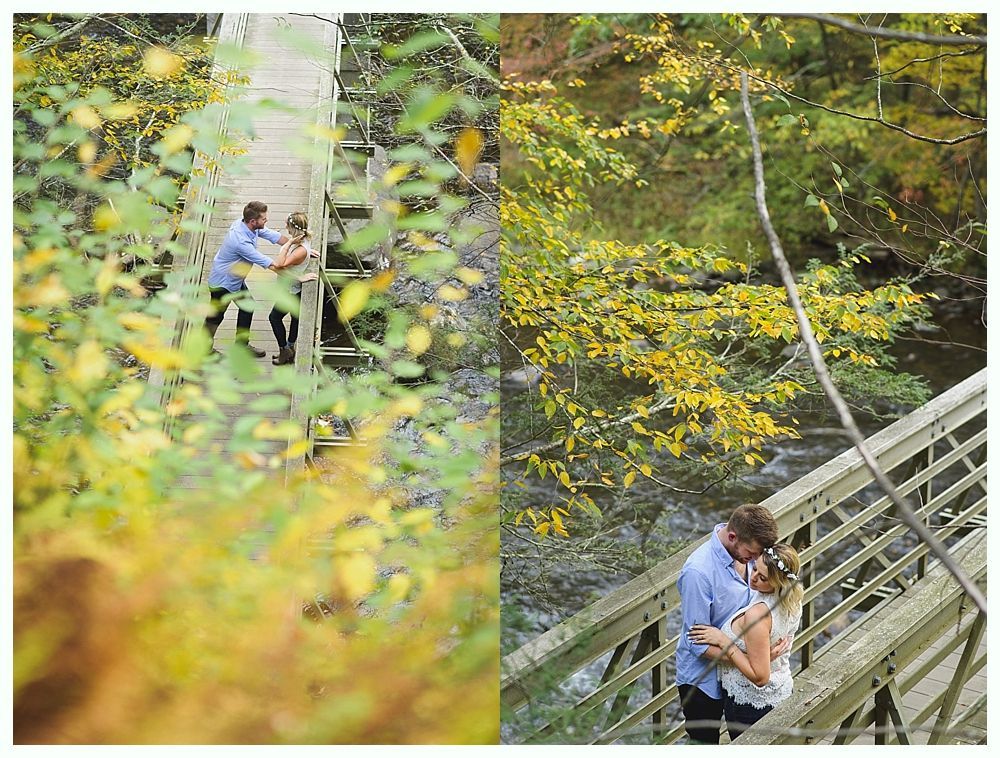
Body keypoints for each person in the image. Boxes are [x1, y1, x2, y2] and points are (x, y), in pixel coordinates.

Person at [674, 504, 783, 744]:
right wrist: (757, 660)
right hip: (703, 680)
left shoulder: (753, 555)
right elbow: (698, 646)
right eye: (751, 554)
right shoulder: (698, 573)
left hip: (740, 677)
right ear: (732, 536)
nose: (756, 561)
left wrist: (757, 659)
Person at [688, 543, 804, 741]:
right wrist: (766, 656)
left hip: (750, 705)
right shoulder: (792, 598)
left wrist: (725, 642)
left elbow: (760, 677)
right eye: (756, 568)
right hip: (781, 690)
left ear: (779, 582)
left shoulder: (758, 615)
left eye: (763, 578)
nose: (754, 577)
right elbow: (776, 644)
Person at [204, 200, 293, 357]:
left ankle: (241, 347)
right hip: (223, 283)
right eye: (264, 219)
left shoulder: (247, 225)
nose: (266, 221)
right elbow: (272, 266)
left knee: (247, 308)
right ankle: (204, 350)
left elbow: (274, 236)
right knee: (215, 317)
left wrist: (297, 245)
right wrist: (299, 277)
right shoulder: (241, 242)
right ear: (253, 221)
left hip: (235, 279)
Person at [267, 211, 317, 365]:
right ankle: (290, 347)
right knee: (295, 317)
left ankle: (285, 350)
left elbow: (280, 264)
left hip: (291, 290)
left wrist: (288, 244)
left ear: (293, 228)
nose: (285, 227)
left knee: (274, 318)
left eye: (287, 225)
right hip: (295, 289)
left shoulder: (299, 249)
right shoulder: (303, 240)